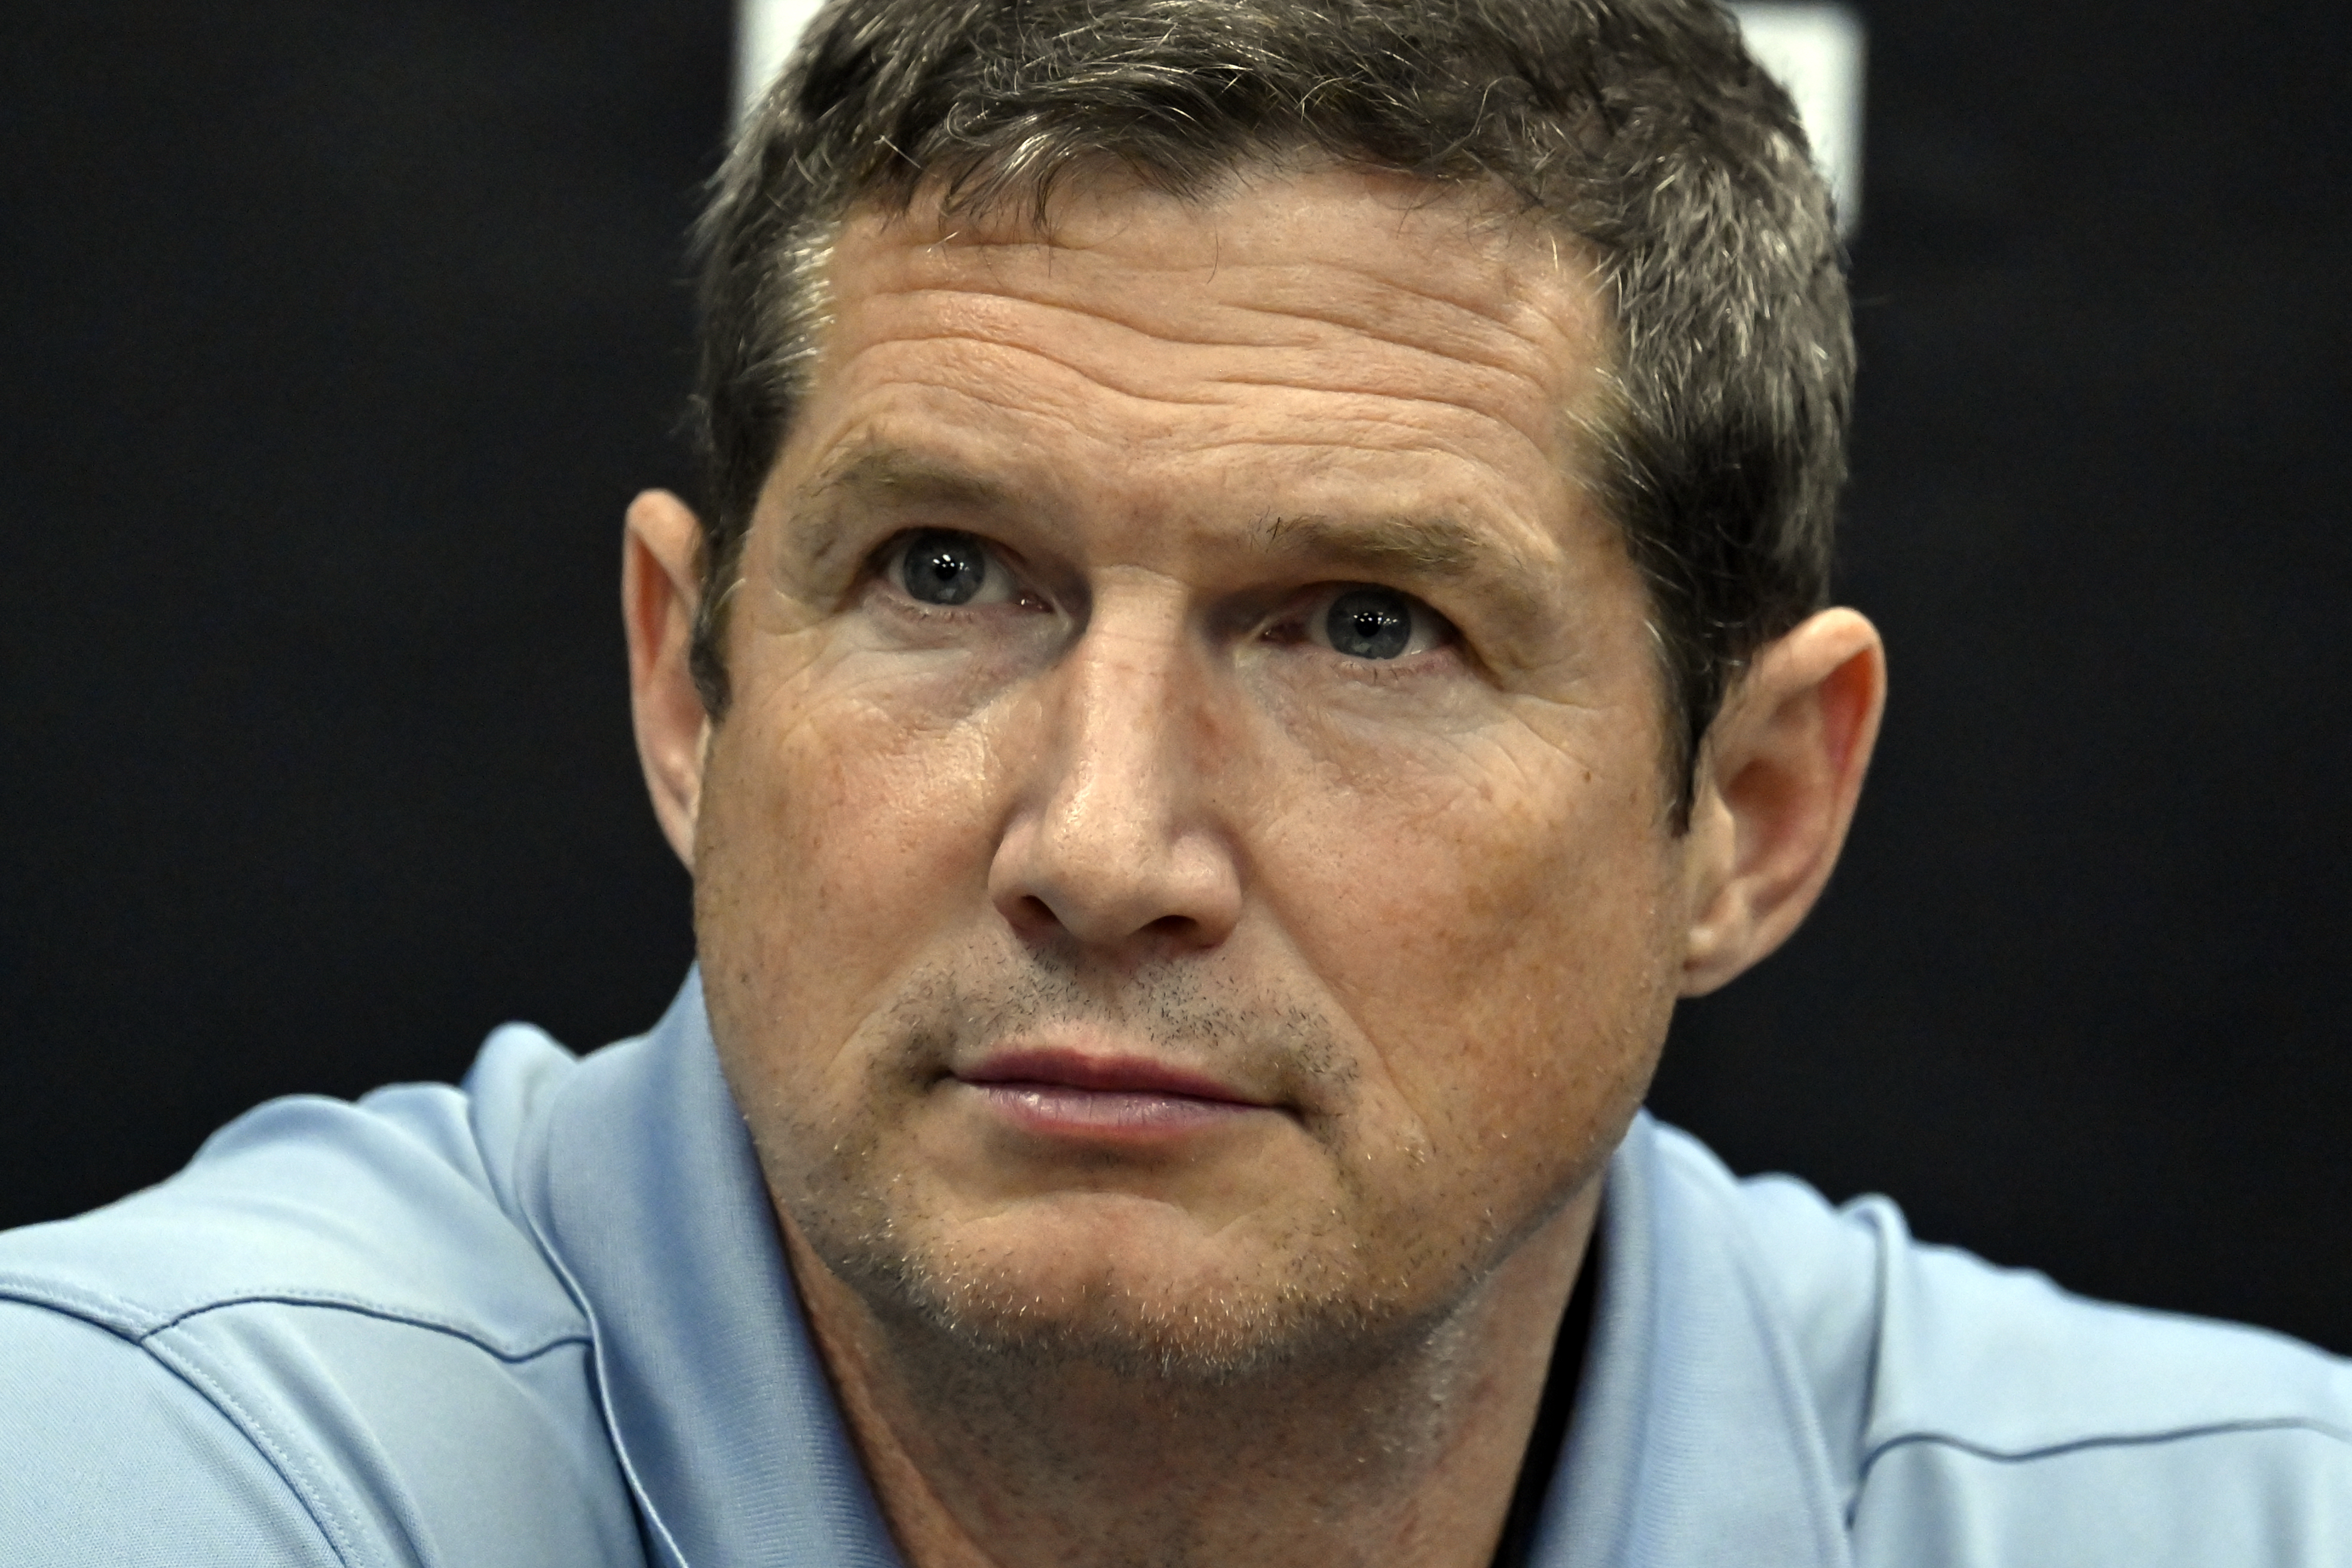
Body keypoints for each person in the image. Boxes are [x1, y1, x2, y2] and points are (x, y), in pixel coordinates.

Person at [2, 0, 2345, 1561]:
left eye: (1363, 626)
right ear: (689, 693)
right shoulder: (132, 1470)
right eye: (947, 573)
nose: (1103, 847)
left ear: (1749, 808)